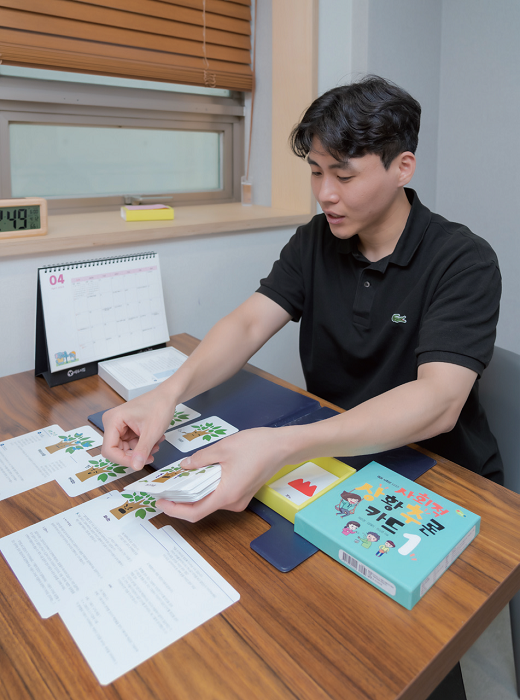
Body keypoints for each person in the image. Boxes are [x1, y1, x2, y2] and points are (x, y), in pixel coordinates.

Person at [102, 75, 502, 524]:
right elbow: (249, 323)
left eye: (344, 175)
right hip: (335, 454)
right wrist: (166, 395)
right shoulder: (315, 239)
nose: (325, 193)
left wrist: (283, 445)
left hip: (442, 477)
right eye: (316, 170)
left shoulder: (464, 260)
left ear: (402, 168)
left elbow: (439, 402)